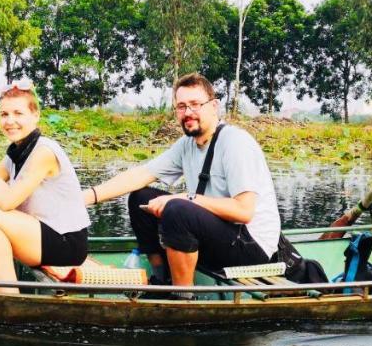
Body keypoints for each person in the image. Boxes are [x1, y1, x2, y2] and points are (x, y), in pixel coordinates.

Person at [81, 73, 281, 292]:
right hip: (220, 235)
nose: (188, 113)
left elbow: (244, 211)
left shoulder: (235, 142)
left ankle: (182, 296)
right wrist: (86, 197)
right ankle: (162, 278)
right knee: (141, 197)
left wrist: (186, 198)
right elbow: (140, 175)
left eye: (195, 104)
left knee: (177, 209)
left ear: (213, 106)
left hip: (251, 247)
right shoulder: (187, 144)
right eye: (181, 106)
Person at [0, 80, 90, 291]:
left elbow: (7, 202)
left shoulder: (43, 152)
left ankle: (10, 294)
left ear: (35, 116)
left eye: (18, 113)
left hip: (66, 243)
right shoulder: (17, 151)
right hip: (36, 232)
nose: (10, 121)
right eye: (4, 114)